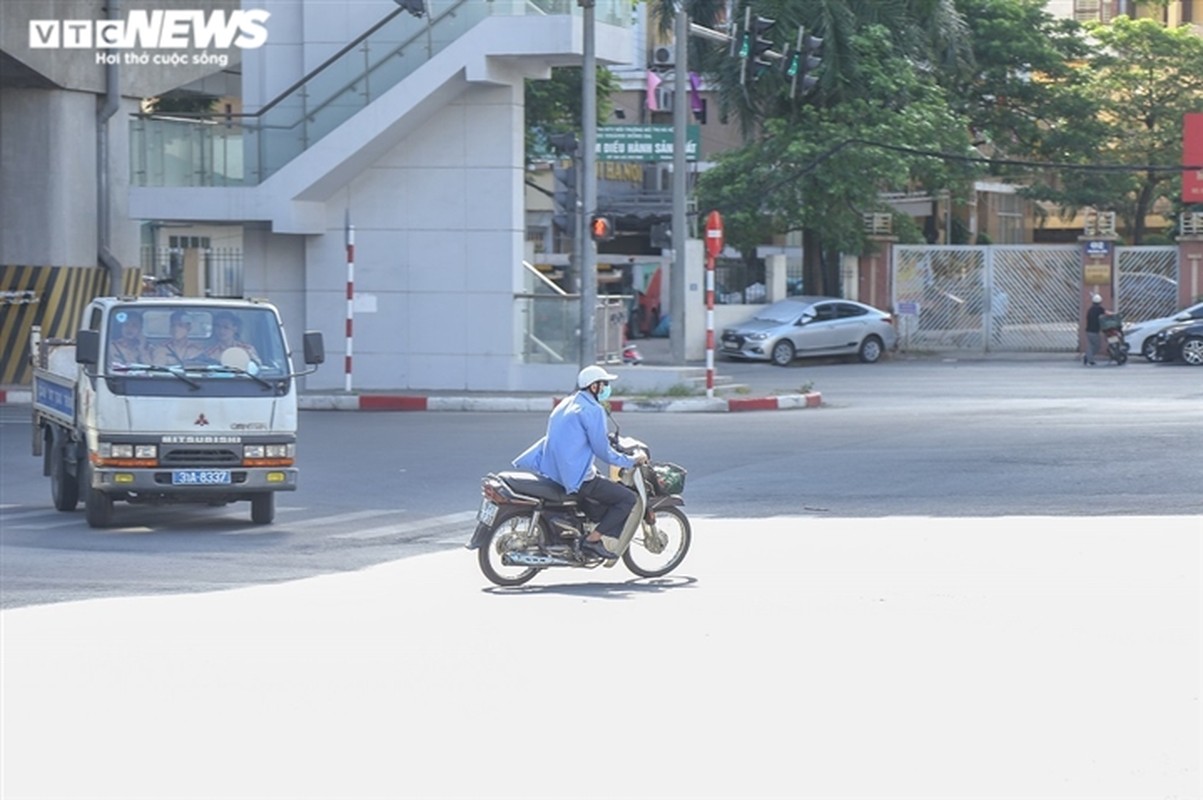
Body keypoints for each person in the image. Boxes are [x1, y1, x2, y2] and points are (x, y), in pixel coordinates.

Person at [513, 364, 647, 560]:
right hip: (575, 476)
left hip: (553, 469)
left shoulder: (566, 403)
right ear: (594, 387)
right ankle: (593, 540)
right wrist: (630, 460)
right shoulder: (593, 410)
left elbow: (576, 435)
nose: (606, 388)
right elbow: (603, 451)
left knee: (600, 483)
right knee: (626, 499)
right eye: (604, 384)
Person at [1083, 293, 1105, 366]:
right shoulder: (1099, 309)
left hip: (1089, 330)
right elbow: (1106, 314)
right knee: (1096, 346)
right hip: (1094, 331)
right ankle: (1089, 358)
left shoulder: (1090, 310)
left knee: (1090, 346)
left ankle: (1088, 357)